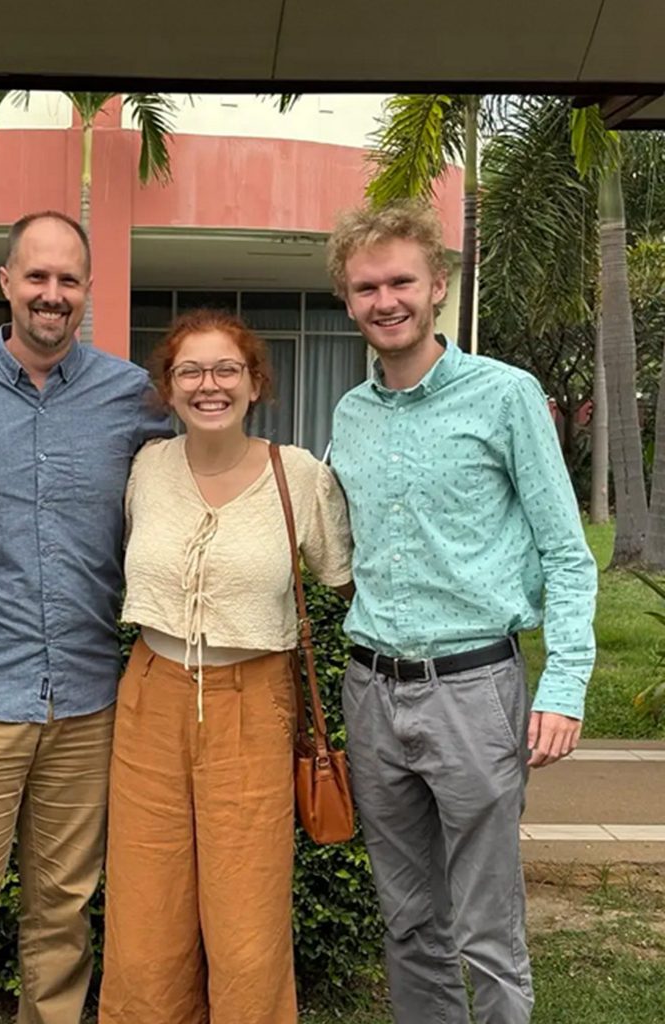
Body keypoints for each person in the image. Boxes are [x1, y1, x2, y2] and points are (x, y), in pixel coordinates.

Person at [326, 200, 598, 1024]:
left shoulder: (505, 395)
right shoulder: (350, 415)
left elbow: (567, 553)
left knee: (486, 924)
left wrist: (565, 686)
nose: (386, 301)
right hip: (371, 692)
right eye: (366, 287)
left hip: (474, 691)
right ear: (348, 300)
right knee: (409, 920)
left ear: (437, 285)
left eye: (401, 281)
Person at [0, 211, 173, 1024]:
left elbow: (188, 485)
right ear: (6, 283)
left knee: (64, 907)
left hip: (89, 698)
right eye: (36, 276)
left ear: (87, 289)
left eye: (67, 280)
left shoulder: (131, 395)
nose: (51, 294)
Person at [97, 310, 354, 1024]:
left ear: (254, 382)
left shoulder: (296, 476)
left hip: (254, 701)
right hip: (151, 694)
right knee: (145, 921)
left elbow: (350, 584)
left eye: (225, 370)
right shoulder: (147, 468)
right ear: (168, 388)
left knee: (247, 927)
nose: (208, 385)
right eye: (190, 371)